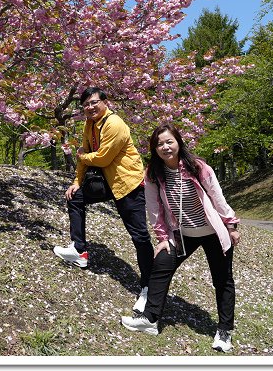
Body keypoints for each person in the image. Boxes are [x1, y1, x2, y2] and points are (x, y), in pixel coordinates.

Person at [120, 123, 240, 353]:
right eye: (159, 144)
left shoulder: (197, 167)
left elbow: (217, 197)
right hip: (183, 235)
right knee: (161, 264)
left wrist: (232, 225)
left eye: (169, 142)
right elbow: (155, 209)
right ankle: (150, 319)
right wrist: (163, 237)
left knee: (222, 280)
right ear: (154, 149)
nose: (165, 147)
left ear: (178, 142)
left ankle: (225, 332)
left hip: (213, 232)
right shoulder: (154, 174)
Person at [53, 87, 154, 313]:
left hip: (128, 183)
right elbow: (84, 156)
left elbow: (100, 158)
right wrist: (77, 182)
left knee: (139, 235)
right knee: (75, 197)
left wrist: (82, 156)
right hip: (107, 180)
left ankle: (149, 287)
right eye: (86, 104)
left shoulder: (115, 124)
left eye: (94, 102)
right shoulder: (89, 124)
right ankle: (79, 250)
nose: (89, 107)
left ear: (105, 102)